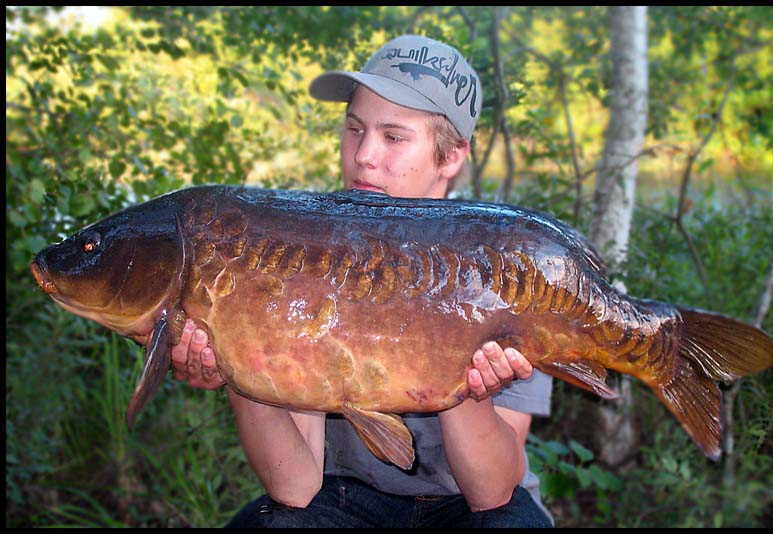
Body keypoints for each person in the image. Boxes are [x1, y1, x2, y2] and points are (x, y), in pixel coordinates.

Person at [171, 35, 554, 528]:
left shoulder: (507, 265)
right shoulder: (304, 244)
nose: (365, 155)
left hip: (465, 502)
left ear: (452, 155)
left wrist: (465, 382)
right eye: (355, 129)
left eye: (394, 137)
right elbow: (295, 487)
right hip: (345, 497)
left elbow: (492, 492)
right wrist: (237, 359)